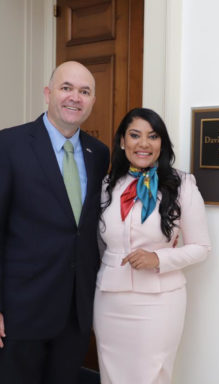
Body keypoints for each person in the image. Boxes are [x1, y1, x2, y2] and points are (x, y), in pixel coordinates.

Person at [0, 61, 110, 384]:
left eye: (84, 91)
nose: (75, 97)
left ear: (92, 101)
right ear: (48, 93)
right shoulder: (8, 146)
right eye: (66, 88)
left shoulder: (98, 153)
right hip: (21, 314)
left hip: (75, 315)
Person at [93, 107, 211, 384]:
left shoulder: (182, 185)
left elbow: (202, 247)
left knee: (151, 375)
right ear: (122, 142)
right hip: (109, 299)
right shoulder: (107, 185)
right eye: (135, 135)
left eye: (153, 136)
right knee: (111, 373)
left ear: (162, 143)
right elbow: (98, 243)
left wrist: (158, 259)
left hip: (160, 302)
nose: (143, 143)